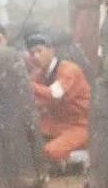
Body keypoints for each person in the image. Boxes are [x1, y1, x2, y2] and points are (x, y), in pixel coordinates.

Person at [26, 33, 90, 164]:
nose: (35, 56)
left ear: (51, 50)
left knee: (50, 152)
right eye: (32, 53)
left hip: (79, 126)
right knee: (27, 142)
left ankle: (87, 157)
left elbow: (54, 94)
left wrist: (27, 84)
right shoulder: (40, 74)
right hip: (57, 124)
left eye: (39, 51)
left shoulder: (69, 69)